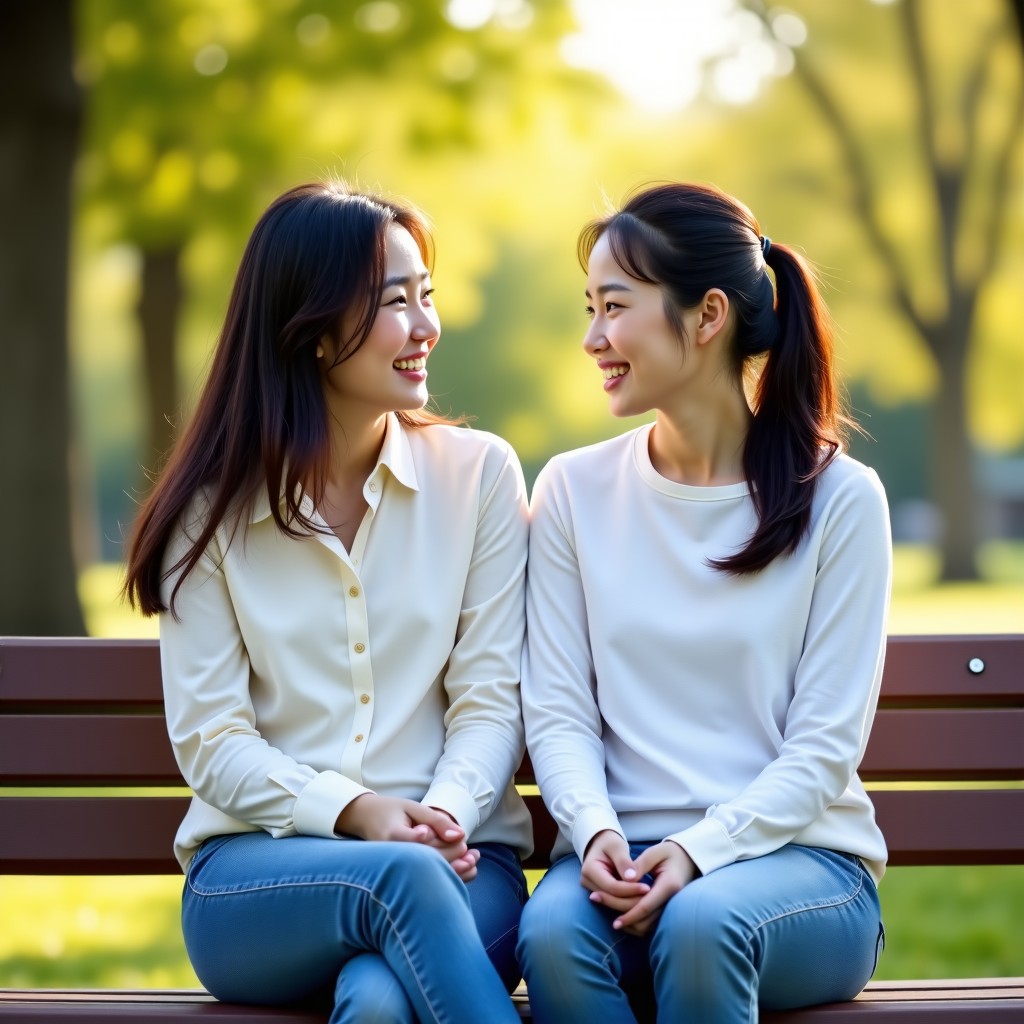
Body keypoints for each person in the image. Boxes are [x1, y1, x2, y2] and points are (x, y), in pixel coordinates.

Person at [123, 181, 531, 1024]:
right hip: (259, 881)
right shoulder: (208, 511)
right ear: (310, 331)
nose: (427, 327)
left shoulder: (481, 477)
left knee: (380, 1003)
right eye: (396, 303)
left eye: (428, 296)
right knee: (403, 884)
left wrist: (441, 819)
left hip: (461, 862)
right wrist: (354, 811)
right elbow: (213, 741)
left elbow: (491, 701)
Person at [517, 182, 891, 1023]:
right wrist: (594, 831)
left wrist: (699, 849)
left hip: (803, 868)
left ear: (708, 315)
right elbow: (559, 709)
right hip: (619, 859)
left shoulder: (840, 499)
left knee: (699, 926)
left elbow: (825, 748)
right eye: (590, 308)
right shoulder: (575, 491)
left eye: (615, 307)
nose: (593, 338)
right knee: (551, 937)